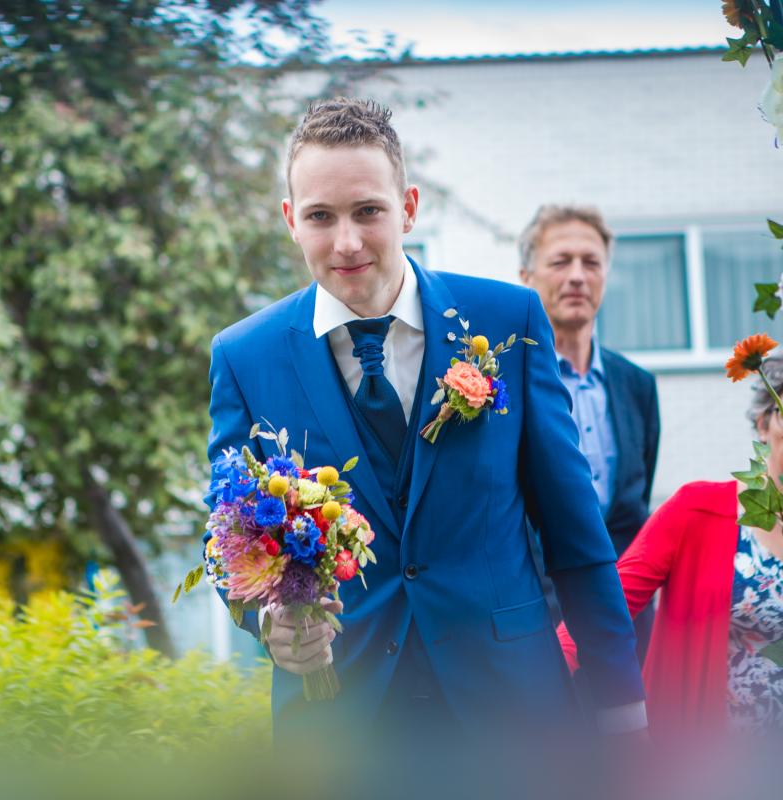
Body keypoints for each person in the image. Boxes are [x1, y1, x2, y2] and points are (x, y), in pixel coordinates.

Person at [203, 97, 644, 744]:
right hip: (341, 725)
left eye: (368, 212)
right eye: (322, 217)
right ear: (291, 221)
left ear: (407, 207)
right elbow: (226, 538)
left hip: (513, 718)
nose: (347, 241)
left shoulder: (509, 322)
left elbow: (575, 537)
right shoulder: (245, 356)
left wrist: (622, 709)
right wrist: (267, 622)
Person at [559, 355, 783, 739]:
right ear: (764, 423)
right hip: (706, 766)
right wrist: (524, 692)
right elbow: (599, 615)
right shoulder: (696, 512)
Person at [518, 205, 661, 663]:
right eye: (561, 261)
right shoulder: (503, 387)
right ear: (527, 276)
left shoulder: (637, 385)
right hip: (535, 625)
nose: (577, 276)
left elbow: (633, 504)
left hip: (628, 619)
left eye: (591, 262)